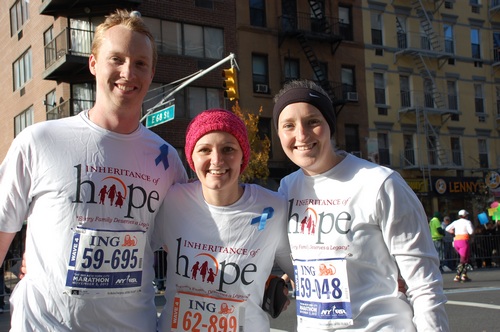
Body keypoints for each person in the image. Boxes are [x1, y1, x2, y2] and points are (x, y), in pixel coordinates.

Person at [0, 9, 188, 331]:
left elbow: (188, 246)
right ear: (93, 64)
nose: (128, 72)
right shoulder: (39, 141)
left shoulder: (167, 161)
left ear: (152, 71)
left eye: (140, 63)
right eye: (116, 59)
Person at [273, 79, 449, 331]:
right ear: (279, 134)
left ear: (330, 126)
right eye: (288, 125)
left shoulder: (380, 183)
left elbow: (425, 284)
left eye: (313, 121)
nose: (301, 135)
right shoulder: (287, 188)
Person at [153, 109, 294, 331]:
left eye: (228, 149)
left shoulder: (273, 207)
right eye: (204, 150)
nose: (216, 160)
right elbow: (137, 255)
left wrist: (272, 284)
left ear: (242, 156)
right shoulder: (172, 200)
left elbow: (303, 269)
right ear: (192, 157)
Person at [446, 210, 474, 282]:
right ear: (466, 216)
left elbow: (447, 228)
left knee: (465, 258)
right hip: (464, 241)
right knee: (463, 259)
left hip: (456, 241)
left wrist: (454, 232)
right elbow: (471, 231)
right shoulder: (467, 222)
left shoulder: (456, 222)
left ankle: (464, 275)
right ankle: (458, 275)